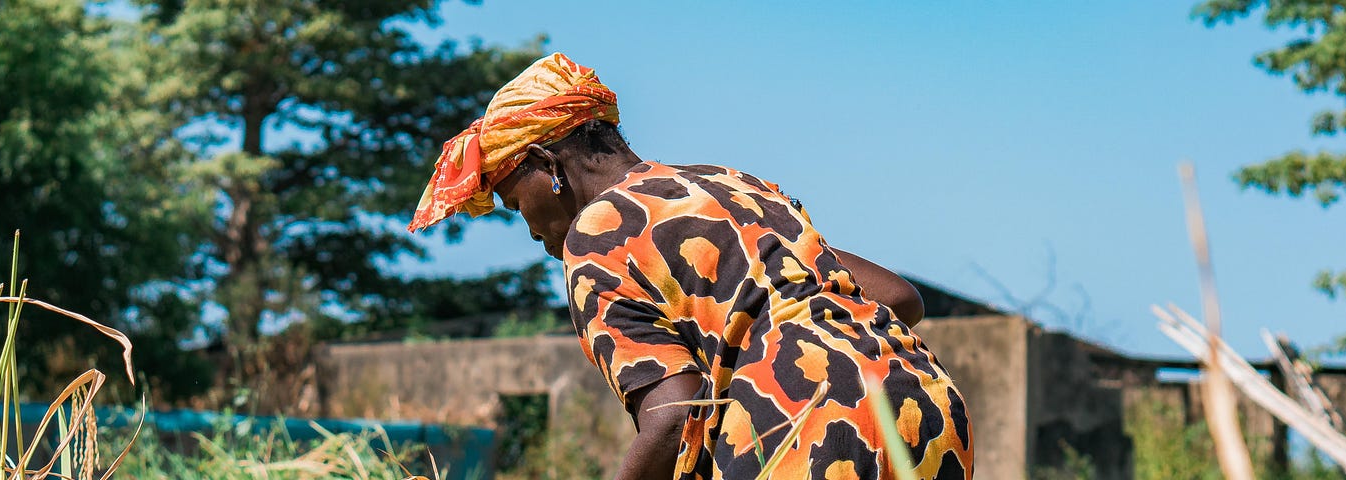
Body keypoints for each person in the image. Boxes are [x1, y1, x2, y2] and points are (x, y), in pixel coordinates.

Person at [409, 53, 973, 480]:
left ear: (543, 163)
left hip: (813, 429)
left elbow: (675, 411)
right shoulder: (731, 184)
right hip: (924, 405)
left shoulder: (596, 236)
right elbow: (899, 298)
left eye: (514, 202)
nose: (530, 228)